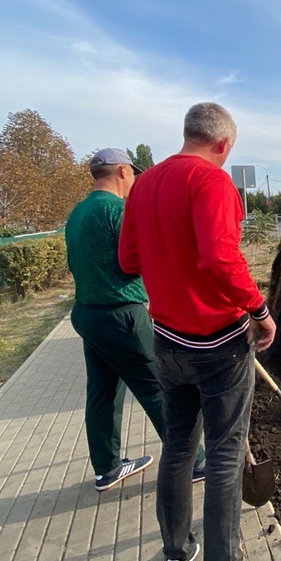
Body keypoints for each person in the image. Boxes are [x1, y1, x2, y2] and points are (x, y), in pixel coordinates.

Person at [119, 103, 281, 561]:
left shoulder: (144, 186)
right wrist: (259, 310)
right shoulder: (211, 182)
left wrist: (169, 267)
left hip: (166, 342)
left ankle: (176, 554)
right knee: (225, 457)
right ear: (224, 144)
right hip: (218, 344)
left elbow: (128, 261)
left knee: (177, 447)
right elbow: (219, 258)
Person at [65, 148, 166, 492]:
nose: (135, 180)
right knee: (157, 386)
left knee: (102, 391)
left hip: (86, 314)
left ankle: (107, 469)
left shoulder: (78, 212)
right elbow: (136, 260)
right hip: (121, 315)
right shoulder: (116, 210)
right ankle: (196, 462)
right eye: (134, 174)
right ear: (123, 171)